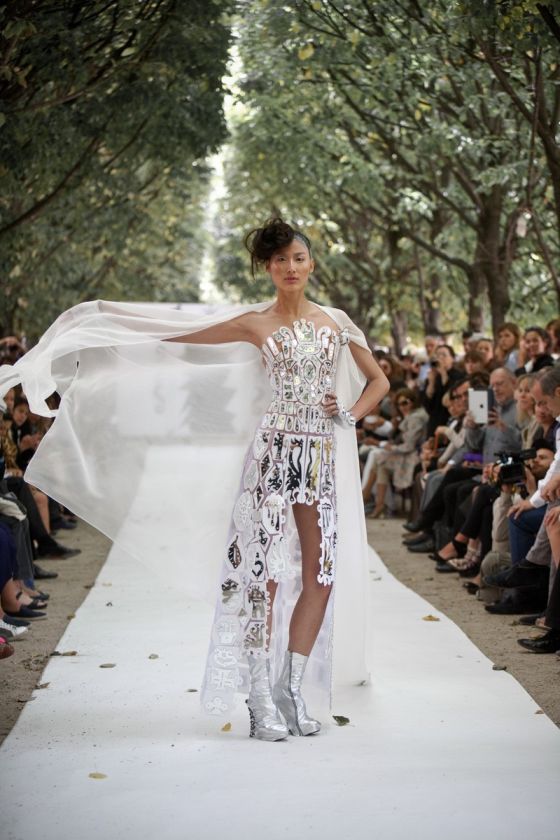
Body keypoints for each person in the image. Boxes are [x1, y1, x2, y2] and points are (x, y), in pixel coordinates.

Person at [0, 218, 390, 742]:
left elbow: (378, 380)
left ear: (311, 263)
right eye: (279, 261)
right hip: (273, 454)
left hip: (319, 455)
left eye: (298, 258)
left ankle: (290, 689)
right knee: (265, 577)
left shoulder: (337, 323)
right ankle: (258, 698)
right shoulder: (255, 324)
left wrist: (348, 412)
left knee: (320, 573)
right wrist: (108, 323)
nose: (290, 267)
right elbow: (177, 335)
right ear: (267, 269)